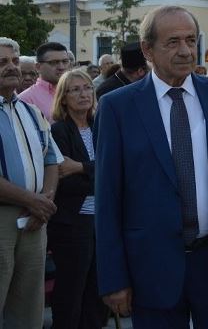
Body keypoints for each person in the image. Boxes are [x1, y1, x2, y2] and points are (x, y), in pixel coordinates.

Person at [95, 5, 208, 327]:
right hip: (151, 266)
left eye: (191, 40)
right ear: (147, 50)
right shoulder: (118, 108)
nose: (186, 51)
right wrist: (113, 278)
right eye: (173, 42)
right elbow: (108, 198)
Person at [0, 36, 63, 328]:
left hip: (36, 219)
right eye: (2, 62)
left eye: (14, 60)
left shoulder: (30, 111)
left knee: (28, 305)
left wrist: (45, 200)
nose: (11, 67)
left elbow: (52, 159)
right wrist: (32, 201)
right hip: (5, 216)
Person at [49, 69, 104, 329]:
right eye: (75, 89)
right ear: (63, 98)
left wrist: (82, 167)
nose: (84, 94)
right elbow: (64, 180)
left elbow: (115, 169)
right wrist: (96, 170)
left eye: (87, 88)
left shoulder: (100, 125)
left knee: (96, 288)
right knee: (72, 290)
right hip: (73, 222)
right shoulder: (59, 131)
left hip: (101, 220)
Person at [20, 41, 73, 122]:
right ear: (38, 67)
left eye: (65, 61)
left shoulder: (77, 91)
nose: (61, 67)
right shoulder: (25, 99)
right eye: (54, 62)